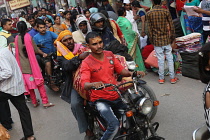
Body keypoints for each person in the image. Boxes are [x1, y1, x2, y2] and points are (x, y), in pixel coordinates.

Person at [80, 32, 145, 140]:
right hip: (100, 100)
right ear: (88, 46)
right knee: (113, 125)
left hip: (116, 95)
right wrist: (93, 84)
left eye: (100, 42)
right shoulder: (86, 63)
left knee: (132, 118)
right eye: (94, 44)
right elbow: (84, 84)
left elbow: (121, 70)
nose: (99, 46)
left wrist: (132, 73)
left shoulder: (109, 54)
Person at [55, 30, 93, 140]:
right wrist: (79, 57)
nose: (69, 42)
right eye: (65, 40)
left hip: (90, 78)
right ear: (62, 43)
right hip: (74, 83)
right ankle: (87, 130)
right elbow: (66, 66)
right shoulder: (60, 54)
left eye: (70, 39)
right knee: (75, 104)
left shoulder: (82, 47)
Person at [0, 42, 36, 140]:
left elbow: (7, 72)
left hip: (7, 87)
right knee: (23, 110)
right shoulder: (4, 51)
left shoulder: (1, 55)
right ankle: (30, 136)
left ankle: (5, 125)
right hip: (16, 86)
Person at [15, 21, 54, 108]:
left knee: (30, 86)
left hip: (23, 67)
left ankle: (34, 102)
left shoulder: (17, 38)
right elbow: (36, 50)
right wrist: (42, 53)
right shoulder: (28, 37)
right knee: (39, 84)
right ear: (26, 28)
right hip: (33, 67)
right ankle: (45, 102)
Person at [146, 0, 178, 84]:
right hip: (166, 39)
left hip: (156, 40)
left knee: (160, 59)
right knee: (169, 58)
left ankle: (161, 78)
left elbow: (149, 29)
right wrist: (172, 38)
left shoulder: (149, 13)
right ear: (160, 2)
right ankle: (172, 78)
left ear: (153, 2)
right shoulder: (165, 11)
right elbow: (171, 26)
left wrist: (151, 39)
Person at [33, 20, 59, 91]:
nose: (43, 29)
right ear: (37, 29)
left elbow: (58, 38)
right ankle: (52, 83)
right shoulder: (36, 37)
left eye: (44, 27)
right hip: (44, 56)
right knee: (48, 64)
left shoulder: (50, 33)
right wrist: (43, 53)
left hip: (54, 53)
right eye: (41, 28)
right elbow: (37, 49)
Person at [117, 7, 146, 71]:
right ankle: (136, 69)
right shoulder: (125, 21)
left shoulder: (118, 21)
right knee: (135, 55)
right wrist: (135, 34)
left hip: (122, 41)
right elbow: (129, 31)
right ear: (124, 12)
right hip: (130, 40)